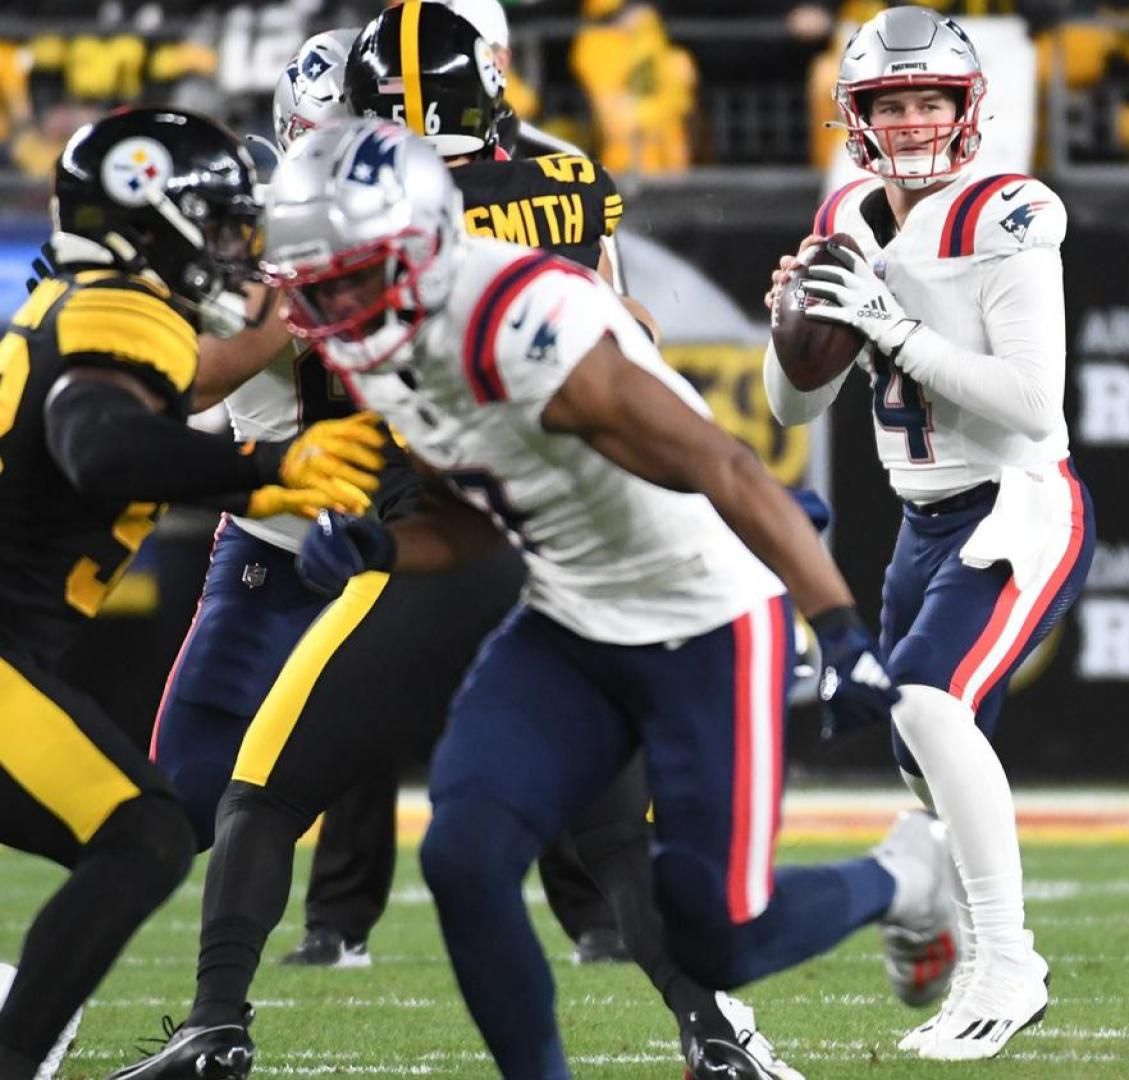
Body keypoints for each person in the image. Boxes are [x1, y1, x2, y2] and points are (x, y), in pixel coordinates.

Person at [119, 8, 799, 1078]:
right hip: (542, 553)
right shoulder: (557, 188)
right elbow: (639, 334)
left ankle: (214, 1027)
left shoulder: (366, 234)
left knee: (264, 790)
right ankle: (718, 1037)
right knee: (613, 829)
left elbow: (228, 360)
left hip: (429, 529)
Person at [265, 119, 956, 1080]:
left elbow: (726, 464)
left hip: (706, 620)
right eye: (315, 283)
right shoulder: (378, 342)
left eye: (349, 275)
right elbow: (486, 508)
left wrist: (839, 631)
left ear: (419, 243)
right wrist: (384, 543)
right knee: (463, 859)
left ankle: (904, 875)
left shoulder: (521, 324)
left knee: (715, 938)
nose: (330, 303)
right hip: (571, 619)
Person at [0, 107, 378, 1080]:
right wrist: (264, 466)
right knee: (147, 834)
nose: (230, 245)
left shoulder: (98, 301)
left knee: (144, 827)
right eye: (213, 222)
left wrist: (284, 318)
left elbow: (190, 379)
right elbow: (98, 442)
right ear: (147, 215)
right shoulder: (117, 313)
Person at [761, 4, 1095, 1060]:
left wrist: (889, 325)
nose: (910, 122)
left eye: (928, 101)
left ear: (967, 107)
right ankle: (939, 920)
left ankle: (1009, 961)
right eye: (890, 103)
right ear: (856, 115)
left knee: (928, 701)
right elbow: (790, 410)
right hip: (921, 521)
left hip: (1017, 497)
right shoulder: (850, 214)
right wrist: (795, 330)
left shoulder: (1006, 210)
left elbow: (1032, 404)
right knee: (922, 753)